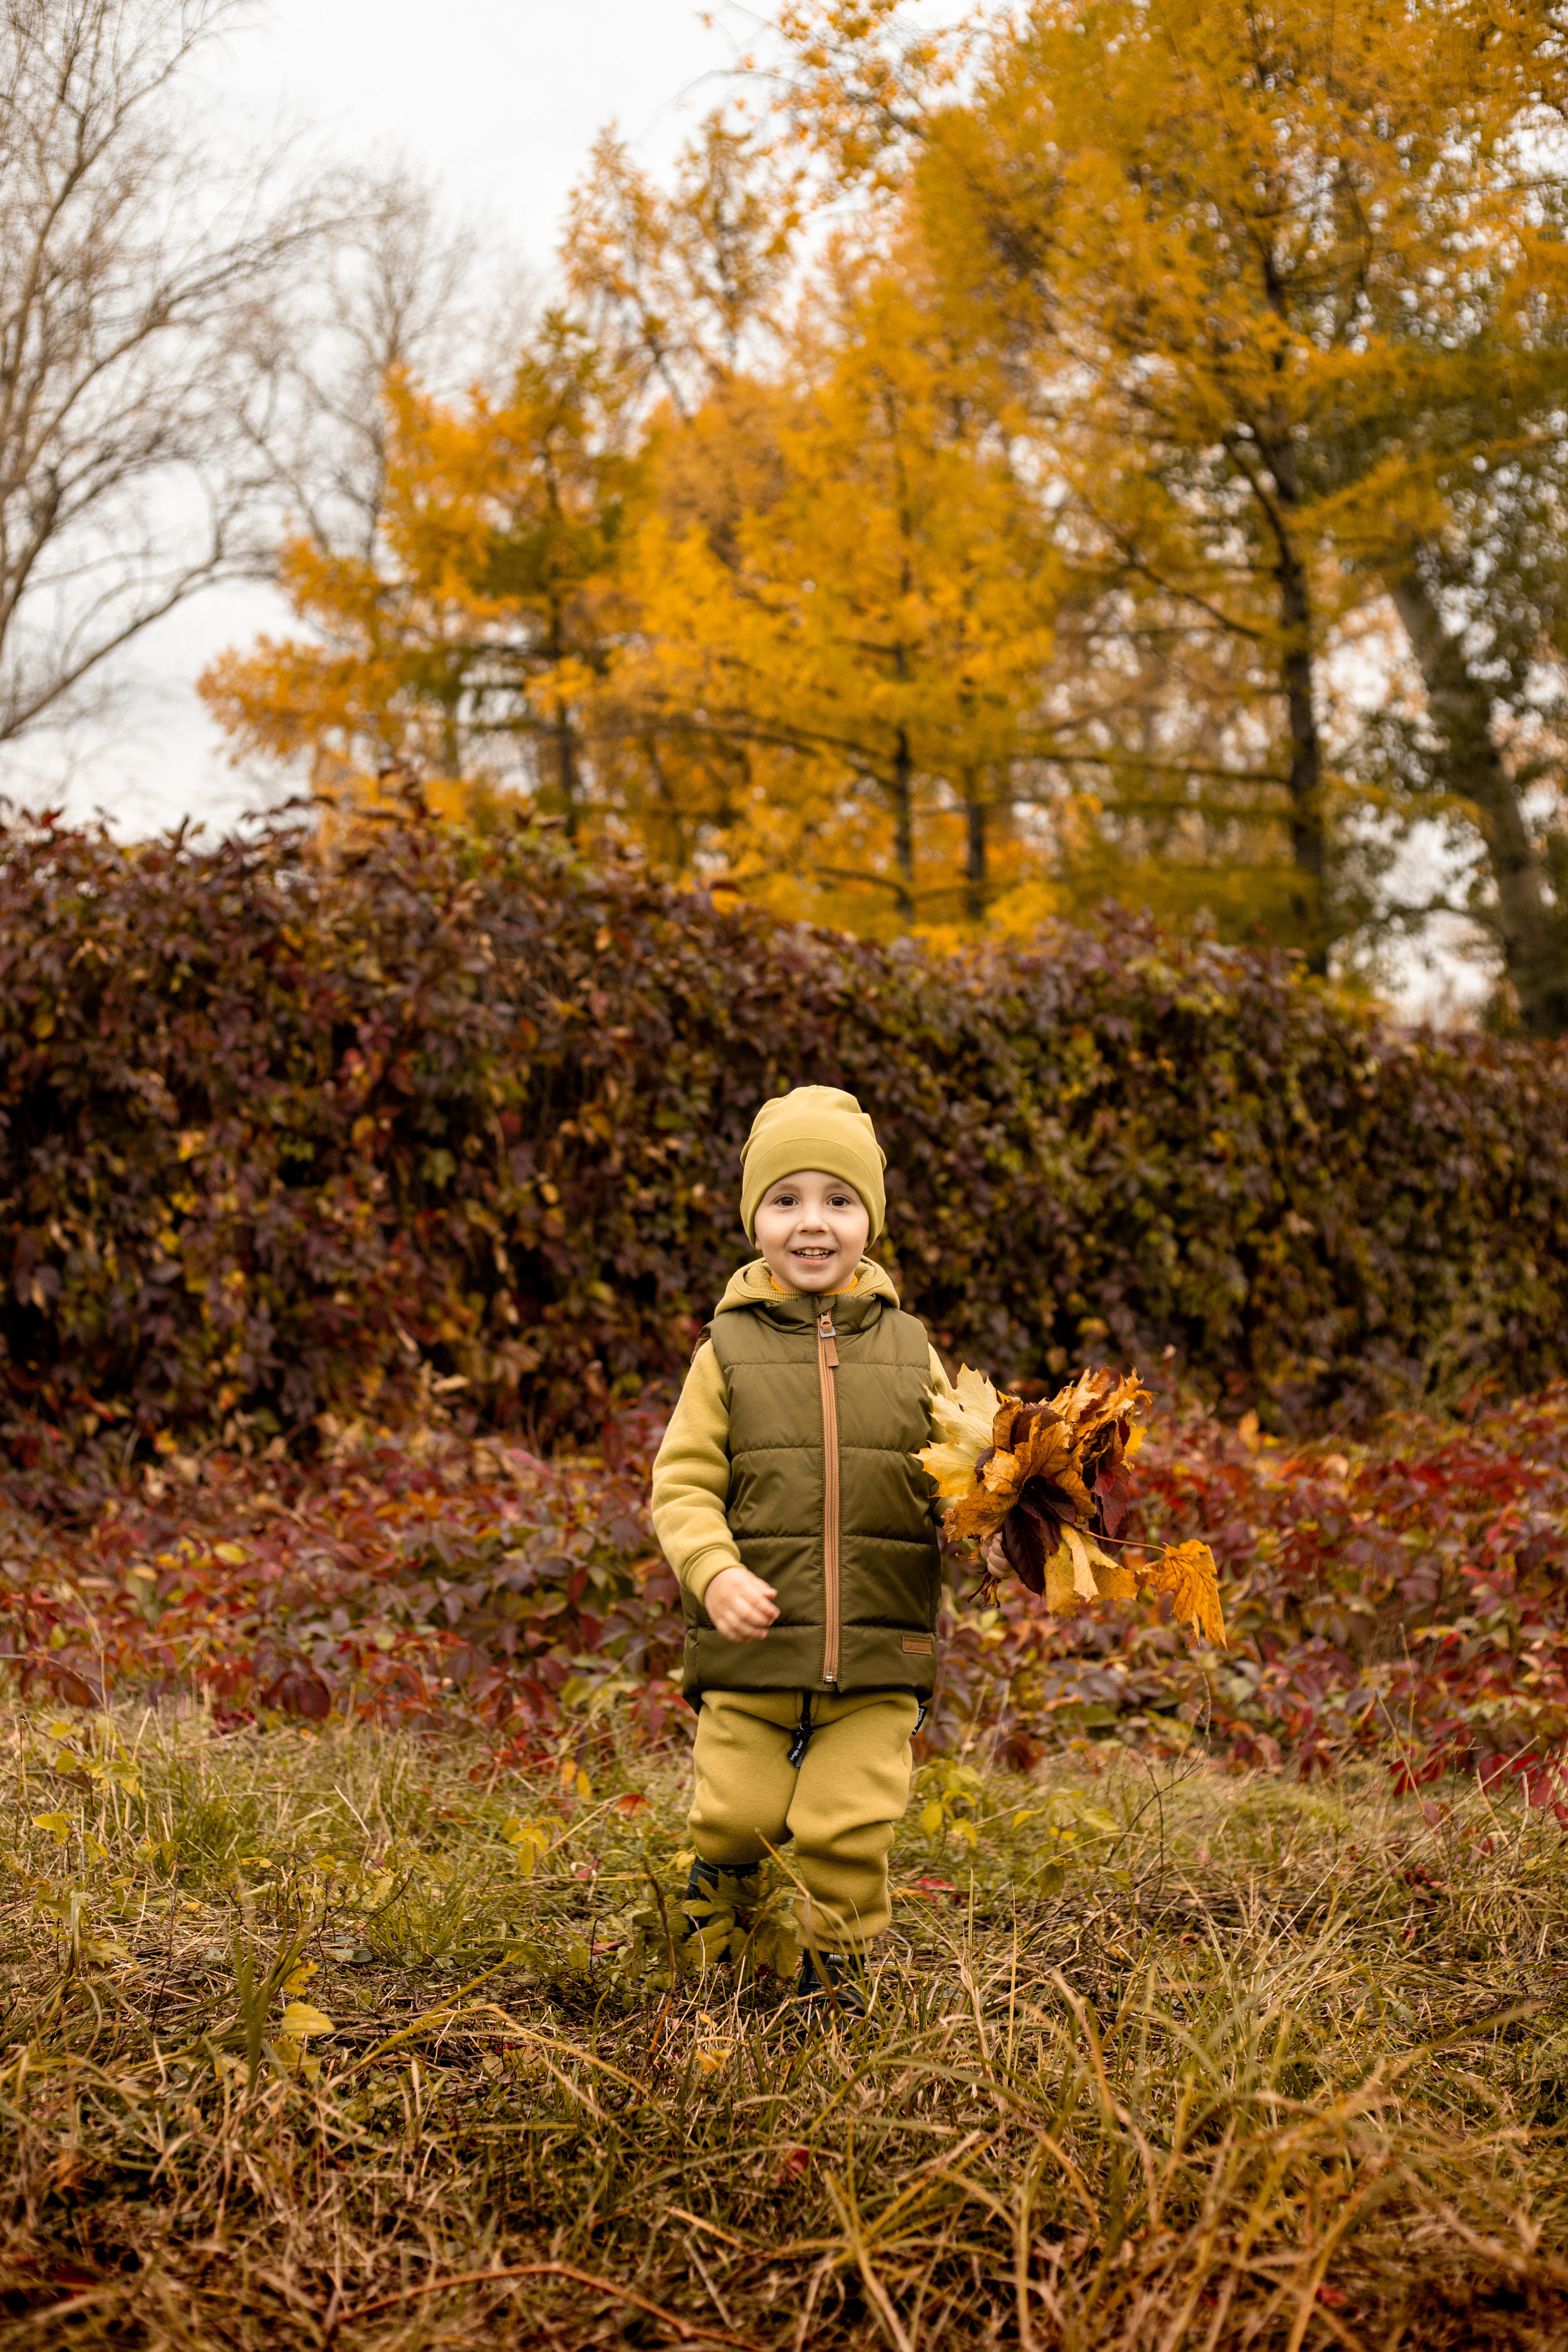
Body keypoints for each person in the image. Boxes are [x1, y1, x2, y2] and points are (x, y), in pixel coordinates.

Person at [649, 1085, 952, 2016]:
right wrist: (715, 1571)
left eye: (838, 1200)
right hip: (751, 1648)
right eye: (786, 1200)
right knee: (734, 1816)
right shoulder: (727, 1352)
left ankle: (834, 1991)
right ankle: (711, 1968)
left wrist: (1008, 1501)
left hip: (878, 1649)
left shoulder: (911, 1350)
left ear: (871, 1220)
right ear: (755, 1219)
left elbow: (962, 1472)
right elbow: (683, 1485)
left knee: (846, 1829)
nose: (812, 1224)